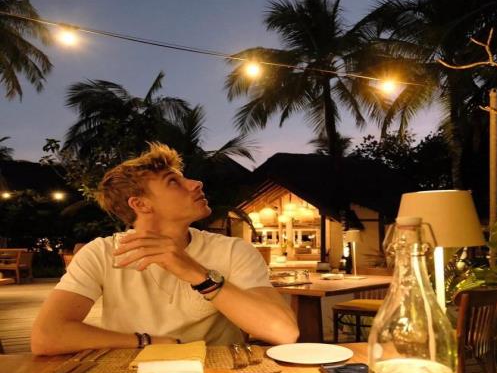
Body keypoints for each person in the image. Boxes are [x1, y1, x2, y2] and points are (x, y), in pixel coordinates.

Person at [31, 143, 299, 355]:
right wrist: (147, 342)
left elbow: (284, 332)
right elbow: (47, 336)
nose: (196, 184)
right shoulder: (101, 254)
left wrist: (198, 275)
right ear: (141, 204)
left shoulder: (233, 251)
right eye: (173, 182)